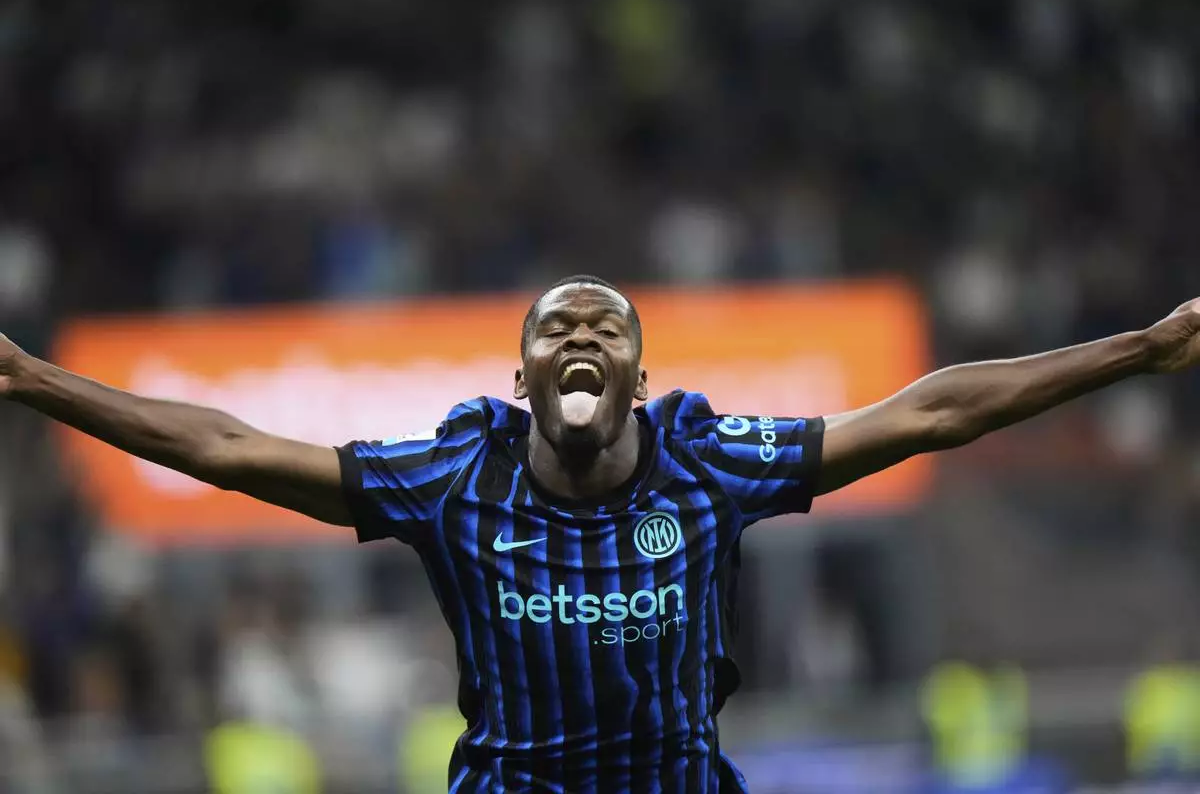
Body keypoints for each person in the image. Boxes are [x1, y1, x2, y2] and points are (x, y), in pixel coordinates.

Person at [1, 274, 1199, 793]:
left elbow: (930, 412)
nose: (582, 333)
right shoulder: (453, 477)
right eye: (557, 327)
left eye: (607, 327)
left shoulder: (708, 462)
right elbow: (228, 445)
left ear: (639, 374)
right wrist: (34, 378)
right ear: (520, 375)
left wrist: (1140, 350)